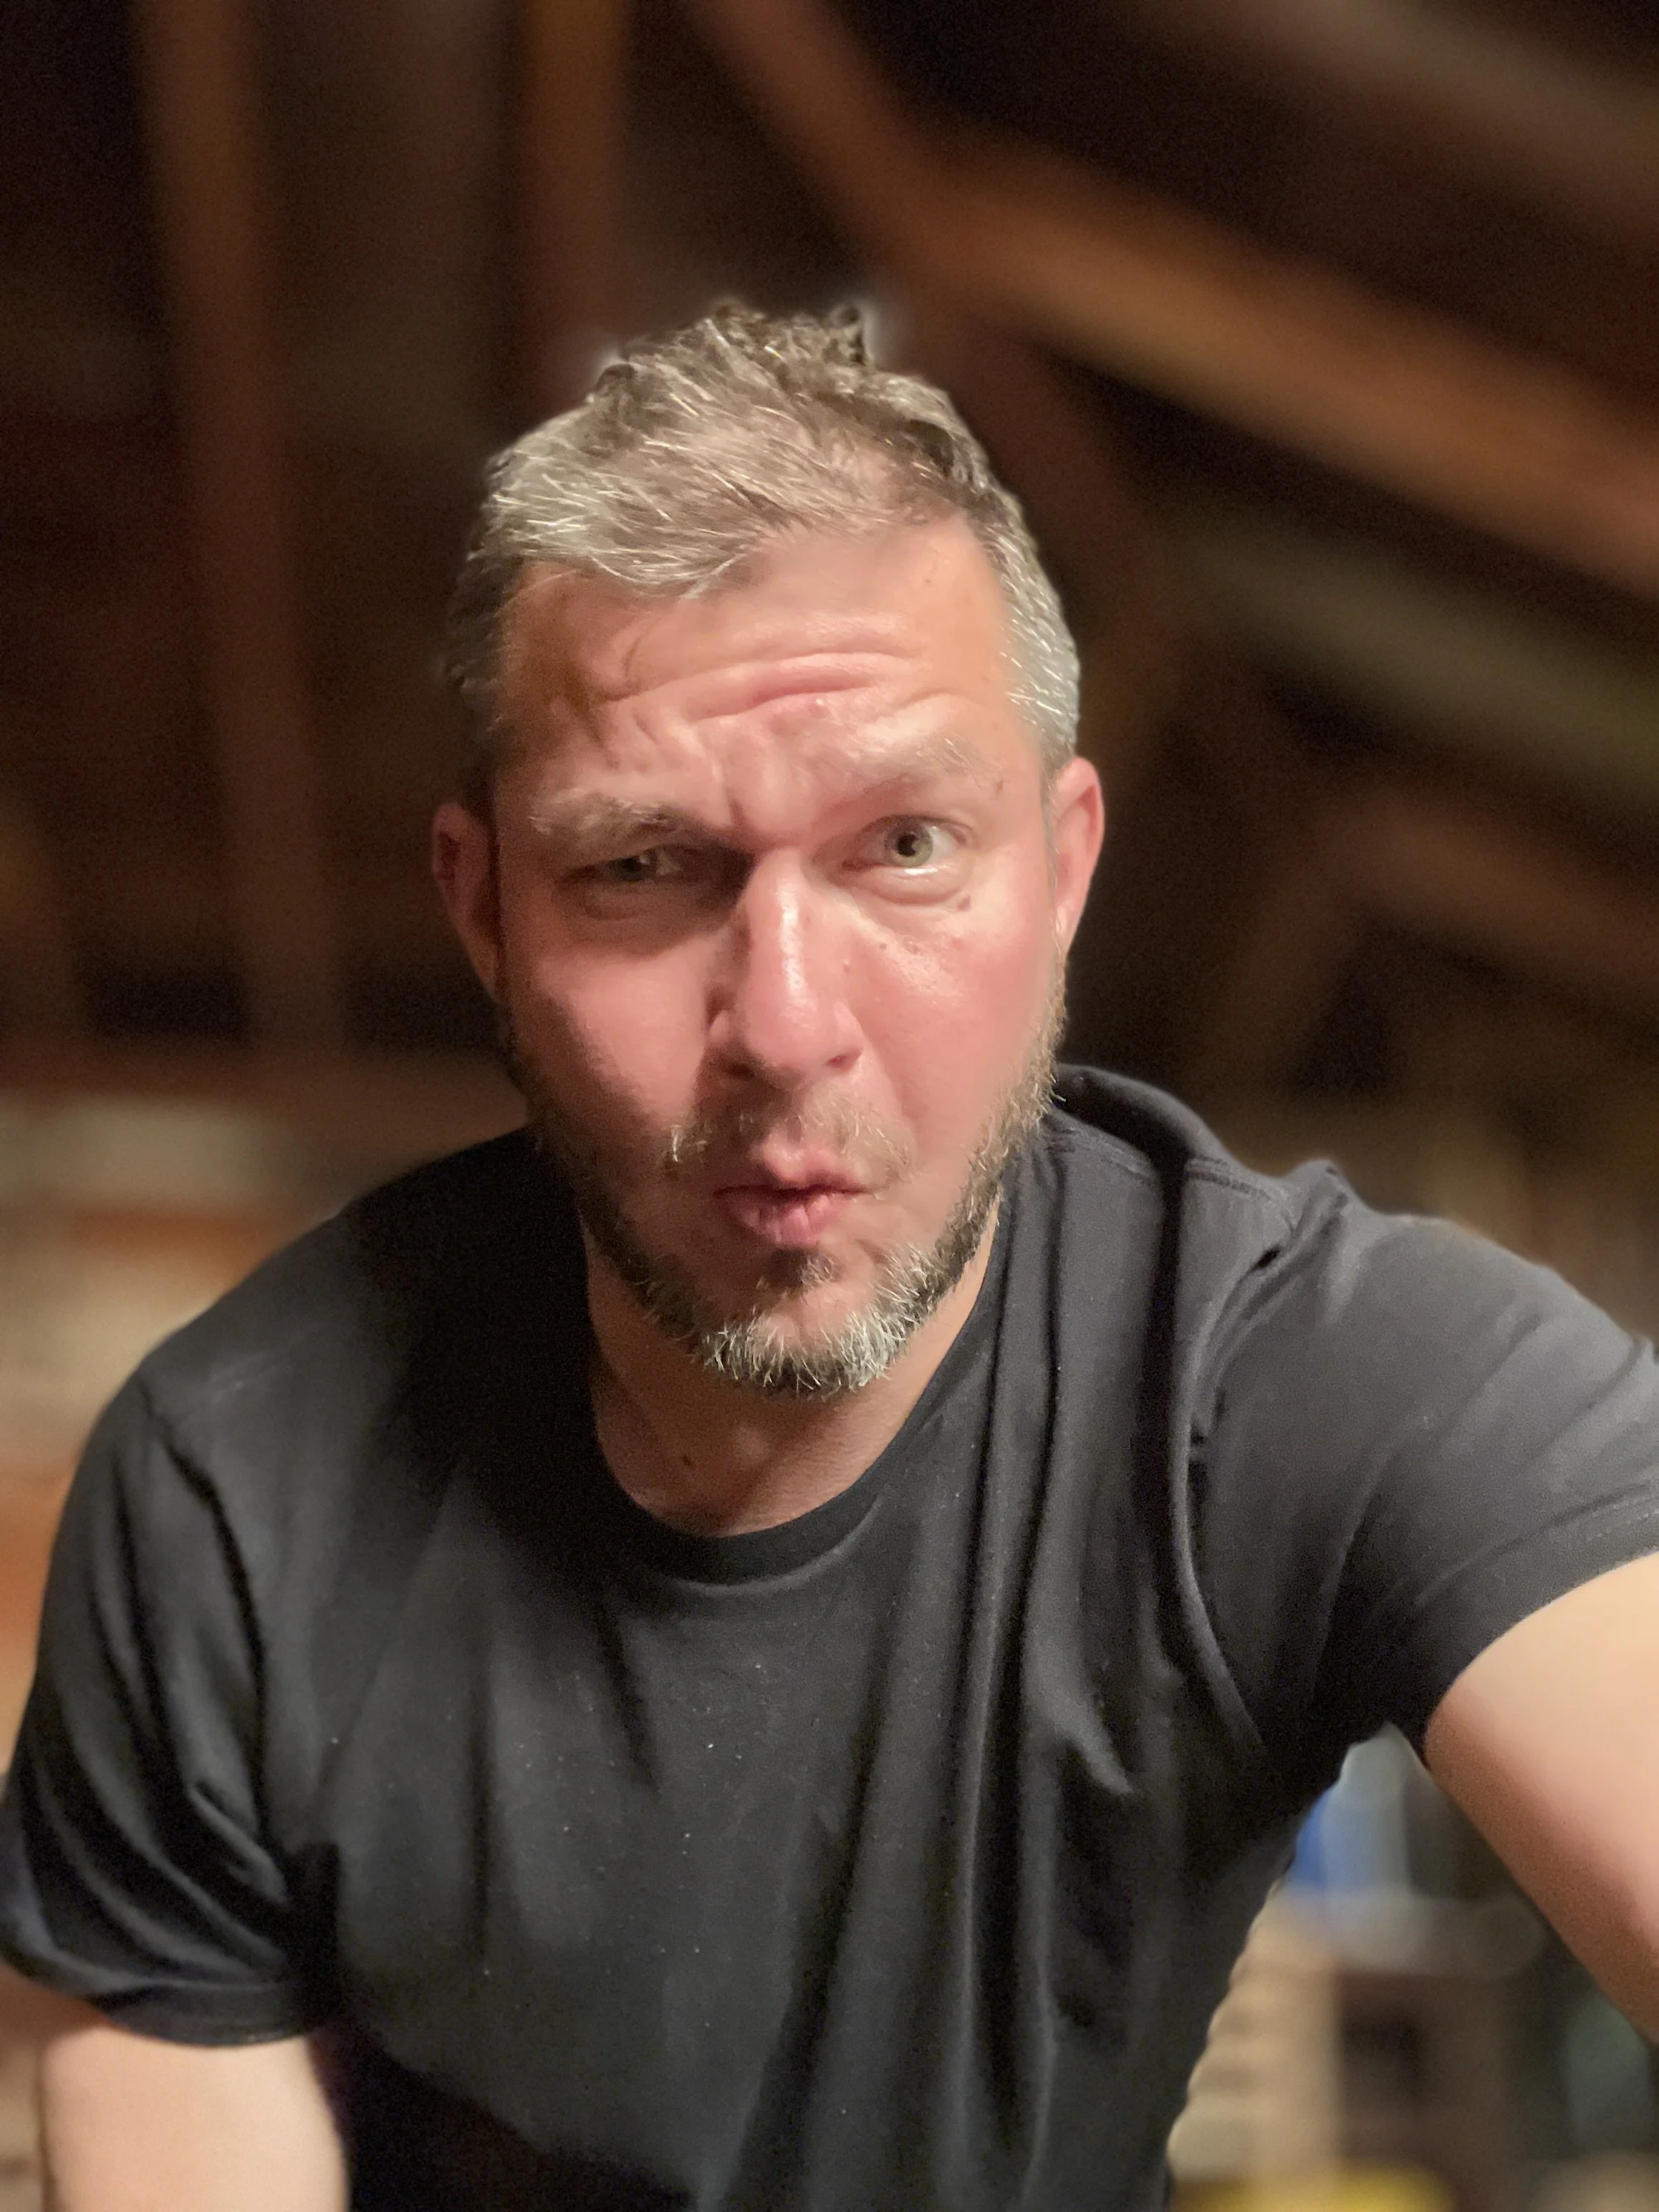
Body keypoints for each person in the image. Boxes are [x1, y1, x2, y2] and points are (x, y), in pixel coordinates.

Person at [3, 304, 1657, 2212]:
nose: (784, 1026)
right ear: (482, 911)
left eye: (903, 847)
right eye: (641, 867)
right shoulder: (236, 1492)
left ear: (1062, 871)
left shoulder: (1320, 1387)